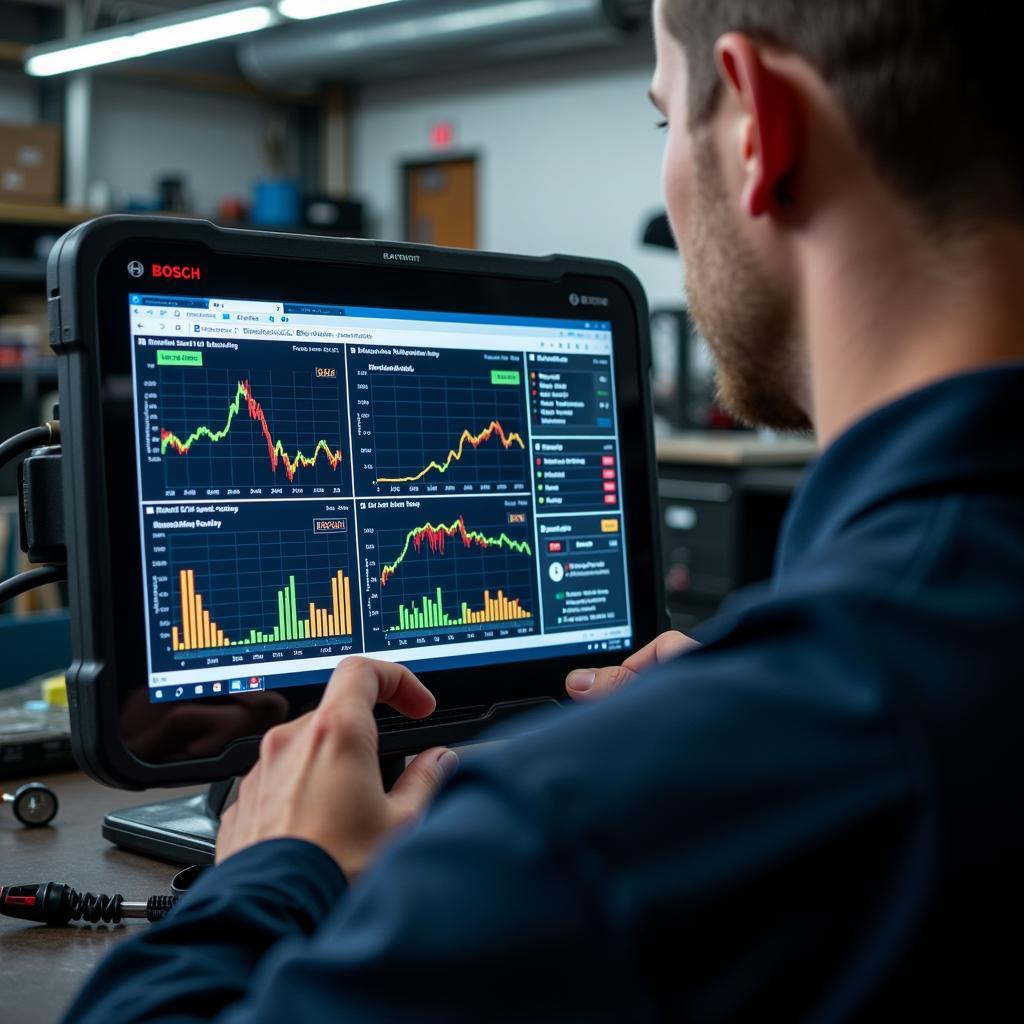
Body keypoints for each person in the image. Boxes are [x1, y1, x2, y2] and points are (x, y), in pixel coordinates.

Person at [66, 0, 1023, 1019]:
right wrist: (755, 715)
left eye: (667, 122)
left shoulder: (570, 835)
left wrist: (273, 870)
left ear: (757, 126)